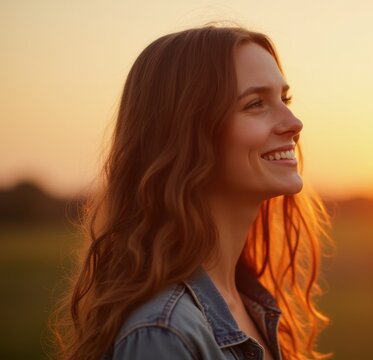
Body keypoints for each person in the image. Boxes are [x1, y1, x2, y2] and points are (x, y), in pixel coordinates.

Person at [50, 24, 334, 360]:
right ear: (184, 134)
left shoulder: (248, 303)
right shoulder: (163, 334)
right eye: (256, 103)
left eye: (284, 99)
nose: (294, 122)